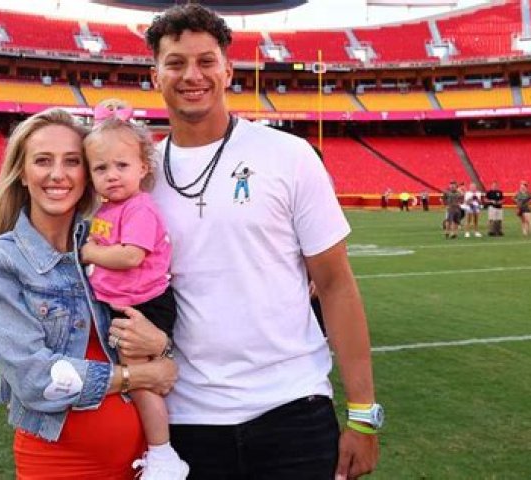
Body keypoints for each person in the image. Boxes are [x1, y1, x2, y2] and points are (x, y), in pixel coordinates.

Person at [136, 5, 381, 479]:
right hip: (185, 417)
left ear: (228, 70)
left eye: (206, 61)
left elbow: (335, 285)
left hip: (292, 409)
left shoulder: (288, 155)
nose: (192, 75)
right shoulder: (139, 177)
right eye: (176, 63)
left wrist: (363, 415)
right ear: (155, 76)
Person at [0, 107, 177, 478]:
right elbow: (37, 380)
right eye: (43, 160)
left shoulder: (106, 243)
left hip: (143, 461)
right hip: (63, 464)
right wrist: (140, 376)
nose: (58, 174)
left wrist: (161, 346)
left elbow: (151, 338)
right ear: (22, 173)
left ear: (86, 173)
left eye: (72, 161)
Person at [81, 104, 189, 479]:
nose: (111, 175)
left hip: (144, 306)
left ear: (143, 167)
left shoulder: (139, 208)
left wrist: (88, 253)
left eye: (122, 165)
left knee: (140, 380)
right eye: (100, 168)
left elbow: (130, 256)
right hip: (122, 304)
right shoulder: (109, 209)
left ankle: (163, 454)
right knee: (133, 379)